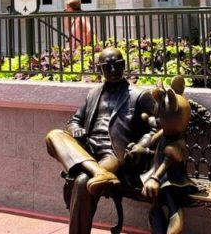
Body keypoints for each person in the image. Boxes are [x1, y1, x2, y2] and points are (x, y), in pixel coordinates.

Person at [45, 48, 156, 234]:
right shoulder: (93, 94)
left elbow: (159, 126)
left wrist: (141, 145)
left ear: (124, 65)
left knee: (82, 182)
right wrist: (75, 129)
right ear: (100, 69)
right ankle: (98, 172)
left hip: (114, 154)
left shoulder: (139, 95)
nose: (113, 69)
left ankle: (98, 174)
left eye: (117, 64)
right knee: (54, 135)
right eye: (107, 66)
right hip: (88, 149)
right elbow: (75, 120)